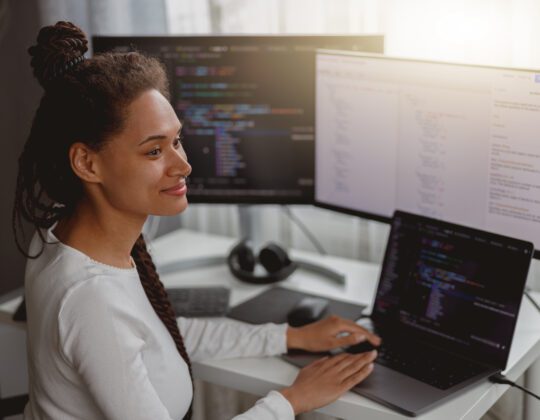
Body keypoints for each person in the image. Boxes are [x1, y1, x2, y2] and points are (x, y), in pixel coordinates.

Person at [12, 21, 380, 420]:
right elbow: (116, 329)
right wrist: (291, 402)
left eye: (177, 140)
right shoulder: (91, 298)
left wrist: (290, 336)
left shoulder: (63, 238)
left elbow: (157, 339)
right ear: (87, 162)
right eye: (154, 151)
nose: (184, 165)